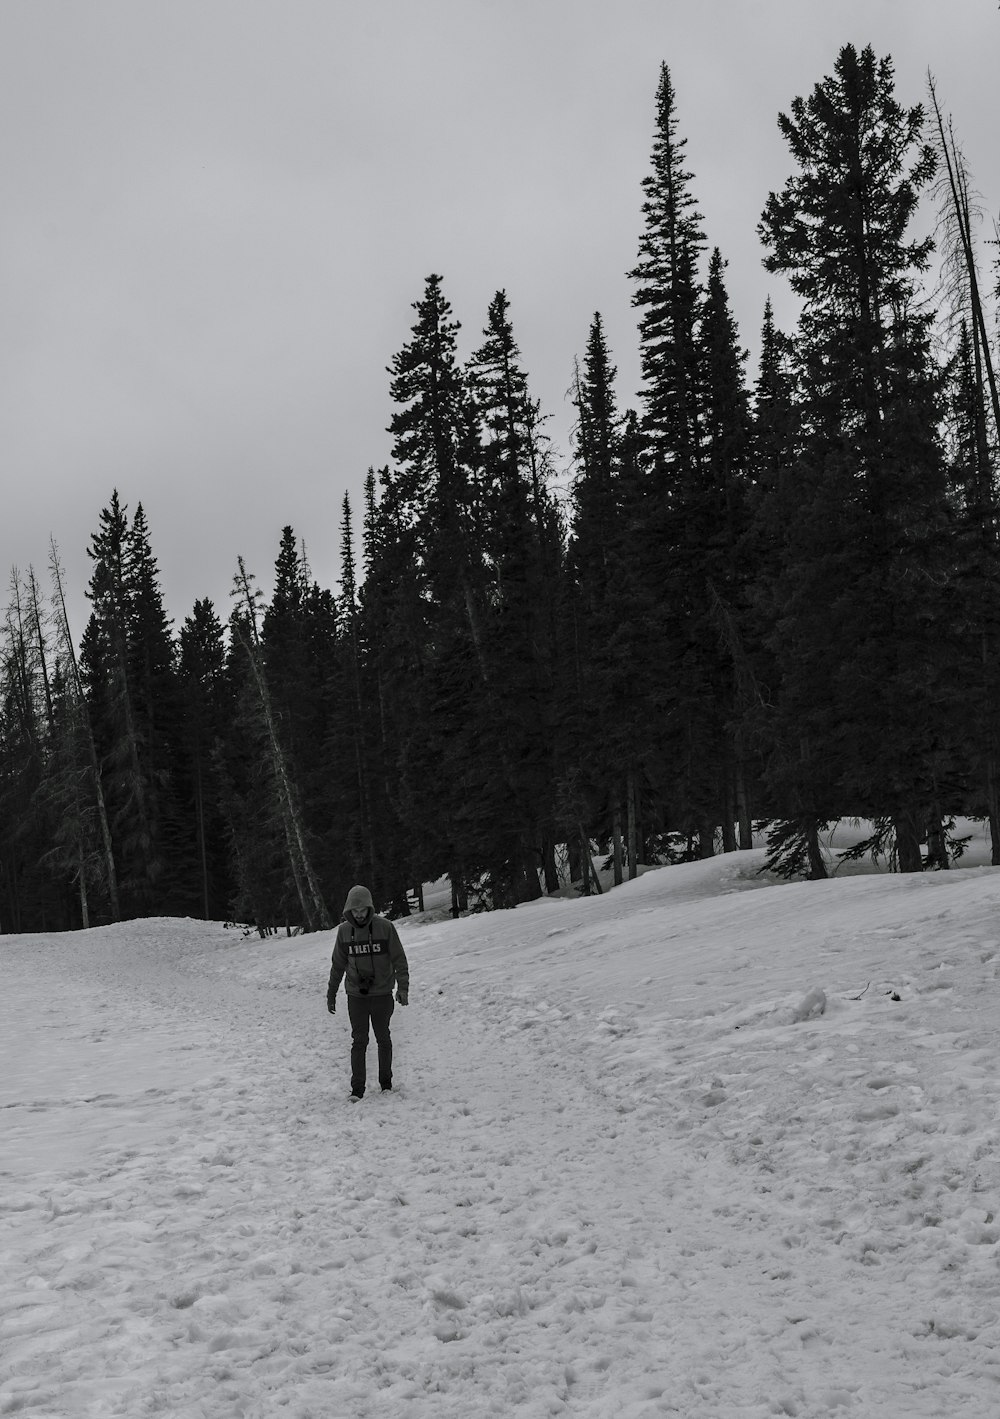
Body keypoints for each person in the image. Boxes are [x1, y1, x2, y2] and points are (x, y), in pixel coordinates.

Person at [326, 885, 409, 1098]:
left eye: (363, 910)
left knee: (383, 1037)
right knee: (359, 1041)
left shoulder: (385, 928)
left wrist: (403, 988)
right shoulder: (344, 932)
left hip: (382, 994)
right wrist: (331, 994)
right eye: (355, 911)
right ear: (349, 911)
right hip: (356, 996)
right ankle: (357, 1089)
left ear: (370, 908)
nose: (360, 914)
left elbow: (399, 959)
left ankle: (386, 1084)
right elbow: (337, 965)